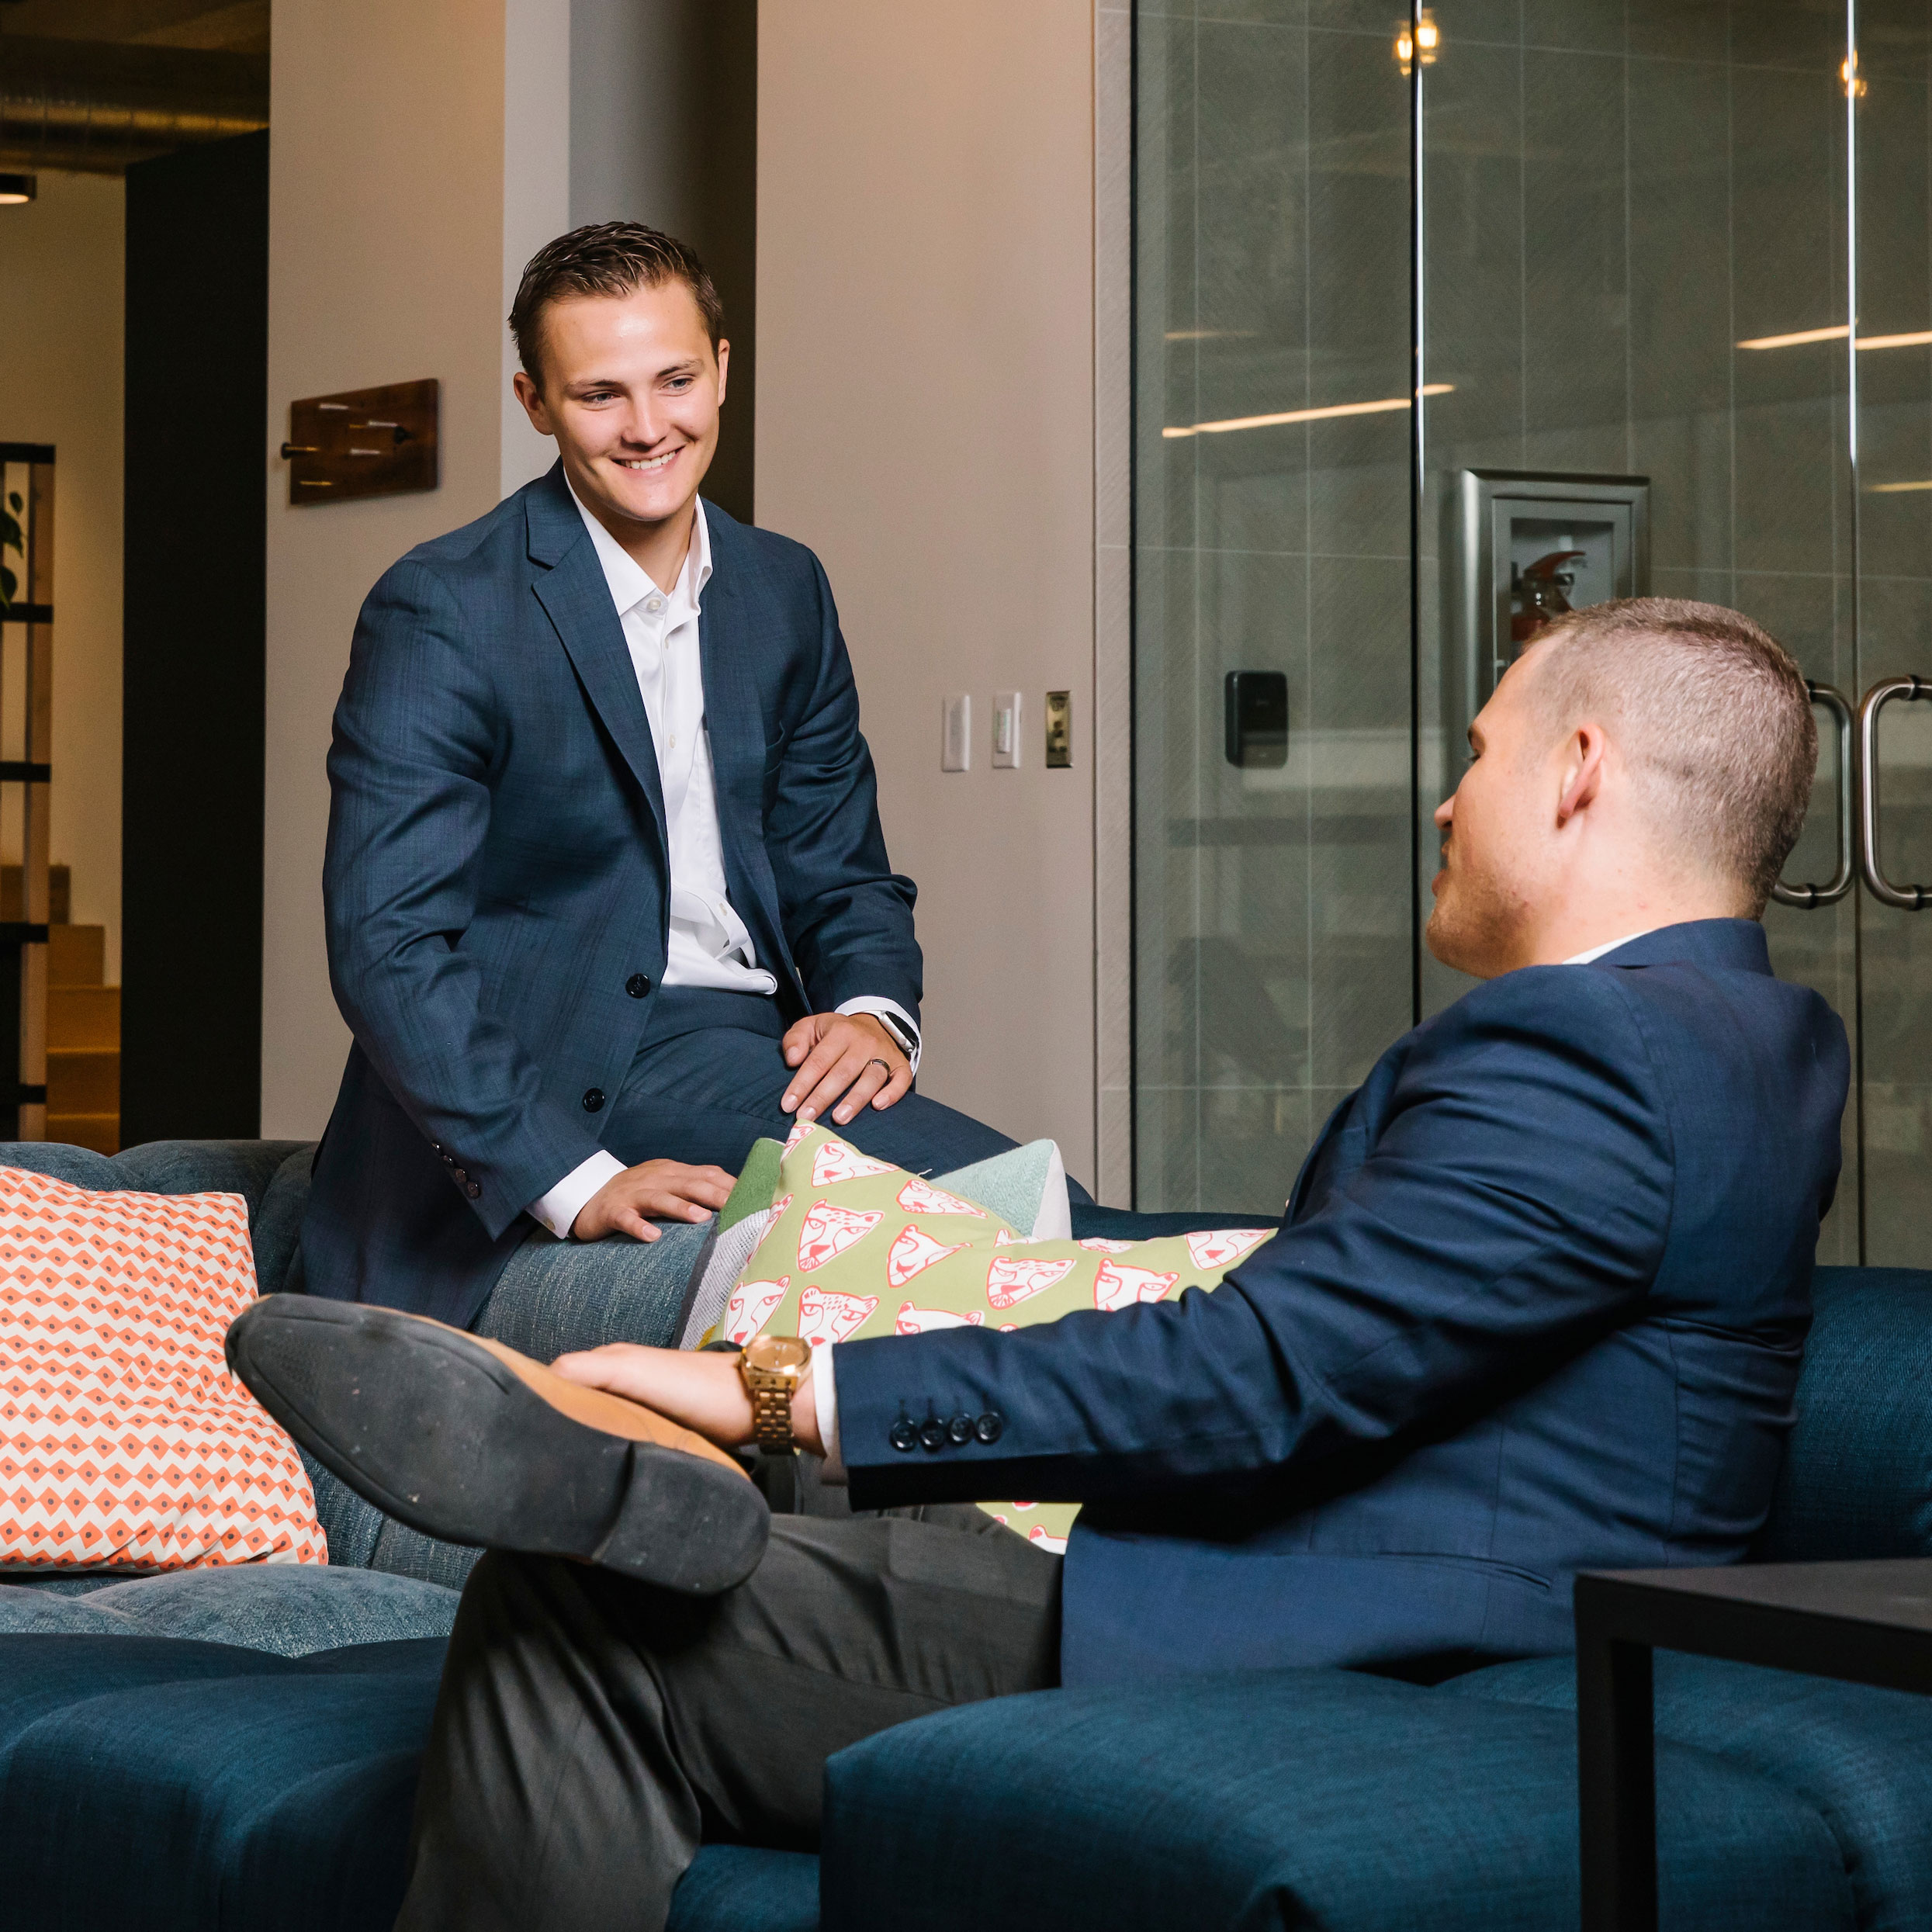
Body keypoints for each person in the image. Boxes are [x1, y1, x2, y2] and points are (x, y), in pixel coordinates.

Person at [260, 598, 1847, 1930]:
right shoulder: (1761, 1044)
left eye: (1481, 753)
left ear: (1578, 774)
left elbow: (1257, 1374)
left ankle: (663, 1454)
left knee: (574, 1619)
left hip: (1332, 1634)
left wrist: (774, 1382)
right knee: (810, 1496)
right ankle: (659, 1460)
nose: (1445, 798)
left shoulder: (1596, 1061)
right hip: (1356, 1577)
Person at [299, 224, 1029, 1331]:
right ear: (534, 403)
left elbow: (841, 868)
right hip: (553, 1062)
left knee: (1017, 1210)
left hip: (753, 1046)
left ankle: (1278, 1309)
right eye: (599, 395)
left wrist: (875, 1010)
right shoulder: (444, 607)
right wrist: (572, 1176)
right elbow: (387, 940)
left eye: (676, 381)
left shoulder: (784, 587)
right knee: (1000, 1213)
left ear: (722, 370)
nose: (648, 429)